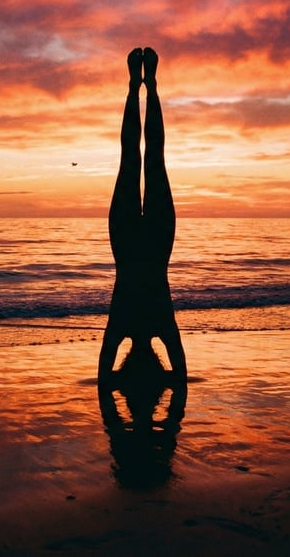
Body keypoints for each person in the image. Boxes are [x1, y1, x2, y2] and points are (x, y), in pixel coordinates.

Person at [97, 47, 187, 381]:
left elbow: (179, 374)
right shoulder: (121, 325)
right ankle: (137, 87)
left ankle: (147, 86)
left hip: (153, 244)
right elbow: (104, 375)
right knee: (133, 159)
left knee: (151, 158)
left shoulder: (162, 326)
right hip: (127, 243)